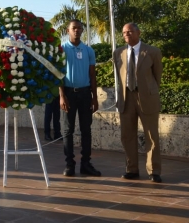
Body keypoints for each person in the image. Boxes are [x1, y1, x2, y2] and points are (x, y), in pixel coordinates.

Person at [113, 23, 163, 183]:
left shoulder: (153, 51)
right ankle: (131, 169)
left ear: (138, 32)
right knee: (127, 135)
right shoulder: (118, 53)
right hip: (126, 99)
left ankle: (154, 171)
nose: (127, 34)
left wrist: (148, 91)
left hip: (147, 98)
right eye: (124, 32)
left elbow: (157, 76)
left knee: (151, 136)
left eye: (130, 31)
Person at [59, 19, 101, 177]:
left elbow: (92, 74)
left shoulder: (88, 50)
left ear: (83, 31)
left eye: (79, 28)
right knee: (68, 130)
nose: (77, 30)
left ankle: (86, 164)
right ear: (68, 30)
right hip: (69, 93)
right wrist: (62, 96)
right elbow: (58, 75)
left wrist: (94, 97)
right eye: (73, 28)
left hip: (84, 94)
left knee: (86, 130)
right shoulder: (61, 49)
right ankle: (69, 164)